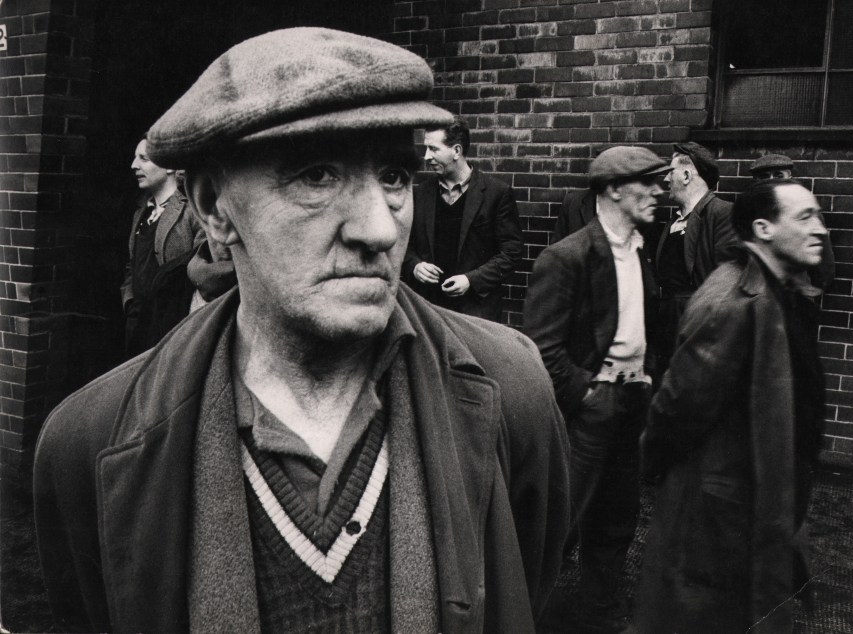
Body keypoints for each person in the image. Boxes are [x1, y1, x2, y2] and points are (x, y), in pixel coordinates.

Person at [34, 27, 569, 634]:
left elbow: (518, 585)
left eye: (395, 176)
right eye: (317, 176)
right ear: (213, 207)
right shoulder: (92, 441)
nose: (380, 230)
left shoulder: (510, 390)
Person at [633, 179, 828, 634]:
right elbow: (677, 406)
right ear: (762, 229)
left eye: (818, 216)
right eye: (805, 217)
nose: (820, 229)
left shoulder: (784, 292)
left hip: (755, 500)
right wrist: (658, 469)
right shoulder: (729, 302)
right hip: (718, 513)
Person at [525, 146, 668, 633]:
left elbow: (646, 324)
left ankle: (600, 618)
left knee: (616, 522)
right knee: (559, 525)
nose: (659, 192)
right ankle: (522, 616)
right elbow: (542, 351)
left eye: (661, 182)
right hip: (589, 410)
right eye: (648, 183)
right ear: (612, 190)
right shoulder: (566, 258)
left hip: (632, 403)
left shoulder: (642, 250)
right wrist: (589, 395)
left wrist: (645, 376)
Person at [402, 118, 522, 321]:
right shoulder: (420, 193)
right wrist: (415, 266)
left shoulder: (496, 193)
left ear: (456, 151)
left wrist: (471, 280)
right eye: (426, 149)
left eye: (433, 149)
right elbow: (403, 244)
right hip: (428, 311)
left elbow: (511, 253)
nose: (426, 157)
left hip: (475, 313)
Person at [656, 141, 739, 361]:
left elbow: (727, 283)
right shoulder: (672, 222)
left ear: (686, 175)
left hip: (698, 325)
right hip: (667, 323)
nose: (666, 179)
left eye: (670, 173)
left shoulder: (722, 214)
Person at [122, 142, 204, 356]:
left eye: (143, 158)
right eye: (134, 157)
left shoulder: (193, 211)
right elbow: (132, 265)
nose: (133, 165)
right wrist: (129, 302)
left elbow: (206, 268)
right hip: (138, 325)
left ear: (169, 165)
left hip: (172, 328)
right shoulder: (141, 211)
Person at [749, 153, 836, 290]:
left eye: (778, 175)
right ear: (756, 181)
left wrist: (812, 288)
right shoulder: (747, 210)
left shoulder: (805, 210)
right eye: (764, 177)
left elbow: (823, 258)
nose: (771, 180)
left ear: (789, 177)